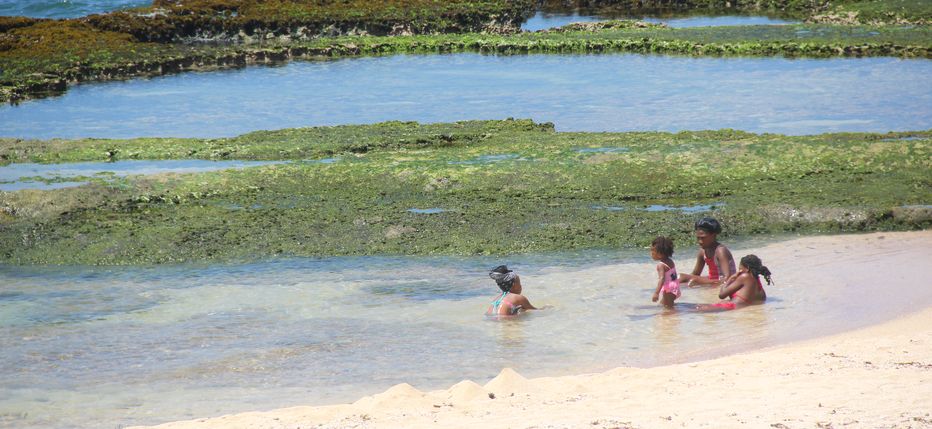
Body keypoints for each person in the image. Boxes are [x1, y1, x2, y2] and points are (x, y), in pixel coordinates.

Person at [699, 254, 771, 311]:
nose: (738, 271)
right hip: (738, 311)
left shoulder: (745, 277)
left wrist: (730, 278)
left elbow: (721, 295)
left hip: (729, 307)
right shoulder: (757, 282)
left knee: (692, 309)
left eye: (740, 269)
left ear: (747, 268)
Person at [679, 217, 736, 287]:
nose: (700, 242)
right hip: (712, 279)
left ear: (713, 235)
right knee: (680, 278)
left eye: (703, 238)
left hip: (722, 280)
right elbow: (695, 274)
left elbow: (727, 278)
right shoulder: (702, 251)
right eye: (698, 238)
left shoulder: (720, 251)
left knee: (689, 280)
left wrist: (699, 282)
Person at [650, 236, 680, 308]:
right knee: (662, 305)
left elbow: (662, 278)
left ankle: (672, 318)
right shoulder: (670, 261)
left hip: (668, 289)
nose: (651, 253)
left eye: (652, 250)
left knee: (669, 309)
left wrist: (656, 293)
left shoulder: (661, 265)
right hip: (675, 286)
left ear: (660, 254)